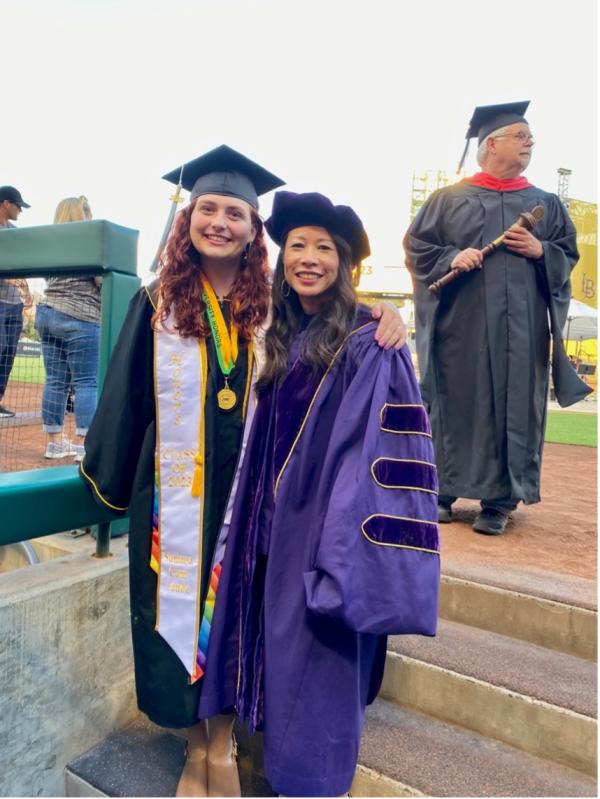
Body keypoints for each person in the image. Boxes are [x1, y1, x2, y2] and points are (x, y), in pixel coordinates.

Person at [79, 146, 406, 797]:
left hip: (252, 503)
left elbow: (334, 318)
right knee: (175, 616)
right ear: (189, 218)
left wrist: (383, 312)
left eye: (235, 211)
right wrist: (110, 484)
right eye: (208, 208)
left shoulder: (278, 304)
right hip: (174, 501)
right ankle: (193, 742)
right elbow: (125, 400)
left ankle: (222, 742)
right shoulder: (155, 303)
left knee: (234, 619)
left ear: (256, 228)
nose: (220, 221)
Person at [202, 191, 440, 797]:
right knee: (280, 656)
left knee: (318, 665)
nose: (308, 259)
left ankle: (310, 782)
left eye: (324, 249)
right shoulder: (284, 332)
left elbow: (381, 458)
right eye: (297, 247)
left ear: (345, 264)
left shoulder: (367, 338)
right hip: (269, 529)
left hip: (323, 537)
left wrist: (334, 551)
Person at [404, 101, 591, 536]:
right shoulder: (447, 200)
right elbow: (417, 248)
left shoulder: (544, 204)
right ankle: (442, 491)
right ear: (491, 143)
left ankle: (500, 502)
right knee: (452, 402)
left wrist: (542, 251)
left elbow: (567, 256)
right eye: (520, 136)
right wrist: (453, 255)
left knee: (514, 406)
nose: (530, 143)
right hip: (459, 331)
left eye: (531, 138)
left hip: (520, 334)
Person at [34, 196, 100, 461]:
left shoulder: (50, 243)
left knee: (55, 381)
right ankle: (86, 446)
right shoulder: (91, 240)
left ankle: (55, 443)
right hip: (81, 317)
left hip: (48, 313)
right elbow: (103, 283)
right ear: (82, 215)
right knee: (86, 382)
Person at [0, 185, 32, 418]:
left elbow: (21, 268)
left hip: (13, 304)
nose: (20, 210)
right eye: (18, 205)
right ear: (5, 203)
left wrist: (27, 290)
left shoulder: (14, 231)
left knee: (8, 354)